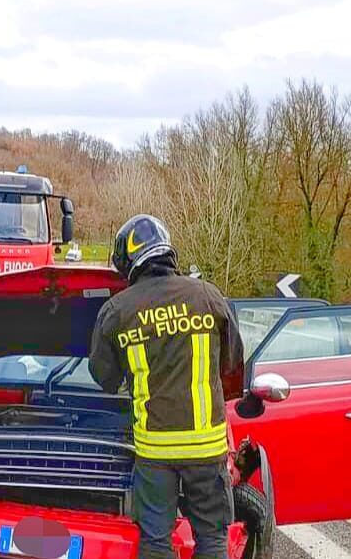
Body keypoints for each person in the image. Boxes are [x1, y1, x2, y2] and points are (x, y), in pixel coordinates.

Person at [88, 214, 245, 559]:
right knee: (213, 538)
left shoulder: (117, 311)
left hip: (155, 452)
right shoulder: (209, 297)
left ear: (127, 261)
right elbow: (232, 364)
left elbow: (104, 377)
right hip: (206, 449)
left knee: (156, 541)